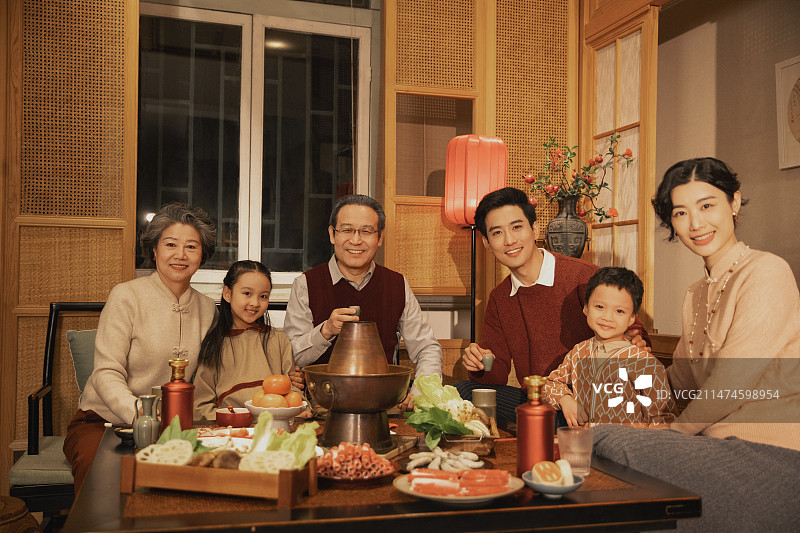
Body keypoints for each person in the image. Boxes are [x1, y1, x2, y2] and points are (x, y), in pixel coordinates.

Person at [593, 158, 800, 531]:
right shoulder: (695, 294)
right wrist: (608, 385)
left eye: (707, 206)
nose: (696, 224)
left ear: (734, 203)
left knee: (608, 443)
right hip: (713, 447)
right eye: (681, 213)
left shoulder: (767, 271)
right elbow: (678, 382)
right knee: (586, 433)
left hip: (775, 455)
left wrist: (670, 434)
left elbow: (731, 384)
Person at [456, 187, 649, 423]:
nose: (509, 240)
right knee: (463, 392)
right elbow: (495, 377)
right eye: (497, 233)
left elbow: (635, 331)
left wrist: (635, 340)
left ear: (534, 229)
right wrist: (478, 363)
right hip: (542, 401)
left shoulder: (583, 276)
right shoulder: (499, 298)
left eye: (517, 227)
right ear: (487, 242)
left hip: (594, 401)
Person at [63, 203, 218, 492]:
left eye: (191, 247)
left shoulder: (208, 308)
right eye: (170, 244)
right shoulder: (126, 296)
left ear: (202, 256)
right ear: (155, 250)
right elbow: (106, 371)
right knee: (103, 480)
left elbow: (212, 373)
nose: (180, 255)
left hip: (175, 426)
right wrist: (142, 417)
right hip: (103, 422)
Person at [283, 194, 442, 411]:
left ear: (380, 237)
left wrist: (421, 391)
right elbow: (291, 357)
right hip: (323, 407)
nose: (356, 240)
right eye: (347, 230)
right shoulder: (306, 284)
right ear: (332, 234)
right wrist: (326, 330)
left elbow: (427, 348)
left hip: (385, 406)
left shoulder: (396, 284)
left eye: (366, 231)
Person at [543, 266, 675, 427]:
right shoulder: (578, 352)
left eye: (619, 311)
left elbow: (663, 419)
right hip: (583, 446)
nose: (607, 317)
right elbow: (551, 383)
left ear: (632, 318)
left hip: (627, 448)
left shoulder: (645, 364)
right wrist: (565, 400)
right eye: (599, 307)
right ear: (586, 307)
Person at [194, 260, 298, 420]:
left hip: (275, 427)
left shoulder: (279, 340)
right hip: (231, 430)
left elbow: (293, 391)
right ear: (227, 294)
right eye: (247, 293)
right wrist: (227, 421)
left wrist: (300, 409)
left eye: (263, 296)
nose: (255, 303)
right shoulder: (214, 344)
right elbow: (201, 405)